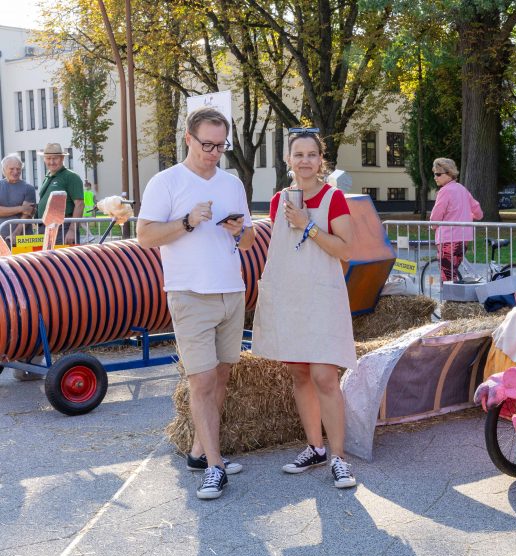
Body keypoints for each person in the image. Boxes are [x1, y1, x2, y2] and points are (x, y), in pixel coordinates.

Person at [137, 108, 256, 500]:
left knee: (221, 377)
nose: (213, 152)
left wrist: (240, 231)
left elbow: (250, 240)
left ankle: (200, 453)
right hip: (189, 292)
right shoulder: (166, 181)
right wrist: (187, 222)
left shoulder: (232, 182)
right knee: (201, 380)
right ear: (188, 138)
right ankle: (215, 467)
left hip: (230, 290)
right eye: (207, 144)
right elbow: (146, 237)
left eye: (220, 145)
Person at [251, 128, 358, 489]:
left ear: (320, 159)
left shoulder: (334, 198)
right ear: (288, 160)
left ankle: (339, 457)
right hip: (291, 296)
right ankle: (315, 447)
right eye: (298, 154)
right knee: (298, 372)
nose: (305, 161)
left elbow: (345, 249)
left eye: (312, 154)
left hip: (322, 295)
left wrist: (308, 225)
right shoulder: (279, 199)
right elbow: (280, 249)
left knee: (325, 376)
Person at [429, 158, 482, 282]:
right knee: (453, 274)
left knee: (447, 276)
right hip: (463, 240)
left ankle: (449, 300)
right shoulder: (462, 189)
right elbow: (478, 213)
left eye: (438, 174)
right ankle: (455, 300)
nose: (435, 177)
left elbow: (435, 217)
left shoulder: (444, 191)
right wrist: (468, 216)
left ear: (449, 174)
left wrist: (433, 226)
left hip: (448, 239)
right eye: (434, 174)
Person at [36, 143, 85, 245]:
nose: (51, 162)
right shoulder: (48, 177)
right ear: (44, 159)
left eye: (55, 158)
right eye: (48, 158)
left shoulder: (71, 177)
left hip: (63, 228)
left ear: (62, 158)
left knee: (63, 260)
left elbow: (79, 204)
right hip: (46, 228)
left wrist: (72, 230)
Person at [0, 154, 36, 246]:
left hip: (22, 238)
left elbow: (27, 214)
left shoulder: (29, 188)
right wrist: (21, 208)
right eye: (11, 169)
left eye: (18, 169)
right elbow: (25, 210)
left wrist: (15, 234)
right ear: (4, 170)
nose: (15, 172)